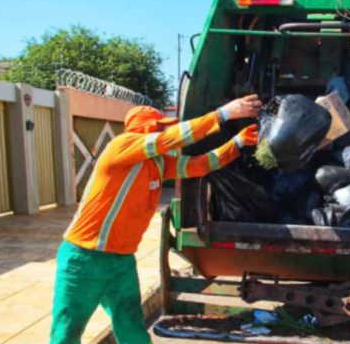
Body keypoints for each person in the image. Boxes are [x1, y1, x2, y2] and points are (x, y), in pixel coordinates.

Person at [50, 95, 262, 343]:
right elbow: (169, 139)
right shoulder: (121, 146)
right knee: (67, 332)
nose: (167, 131)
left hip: (121, 262)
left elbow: (200, 166)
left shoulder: (157, 163)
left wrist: (236, 143)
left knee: (131, 325)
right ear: (144, 130)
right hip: (84, 259)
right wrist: (223, 114)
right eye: (160, 127)